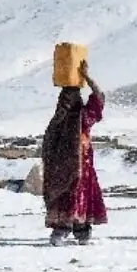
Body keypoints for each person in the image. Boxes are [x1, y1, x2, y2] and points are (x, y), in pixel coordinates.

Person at [41, 59, 107, 246]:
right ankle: (69, 231)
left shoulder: (77, 119)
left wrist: (86, 77)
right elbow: (48, 148)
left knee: (76, 197)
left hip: (76, 170)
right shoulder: (64, 121)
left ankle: (76, 231)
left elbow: (99, 97)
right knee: (72, 198)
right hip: (70, 171)